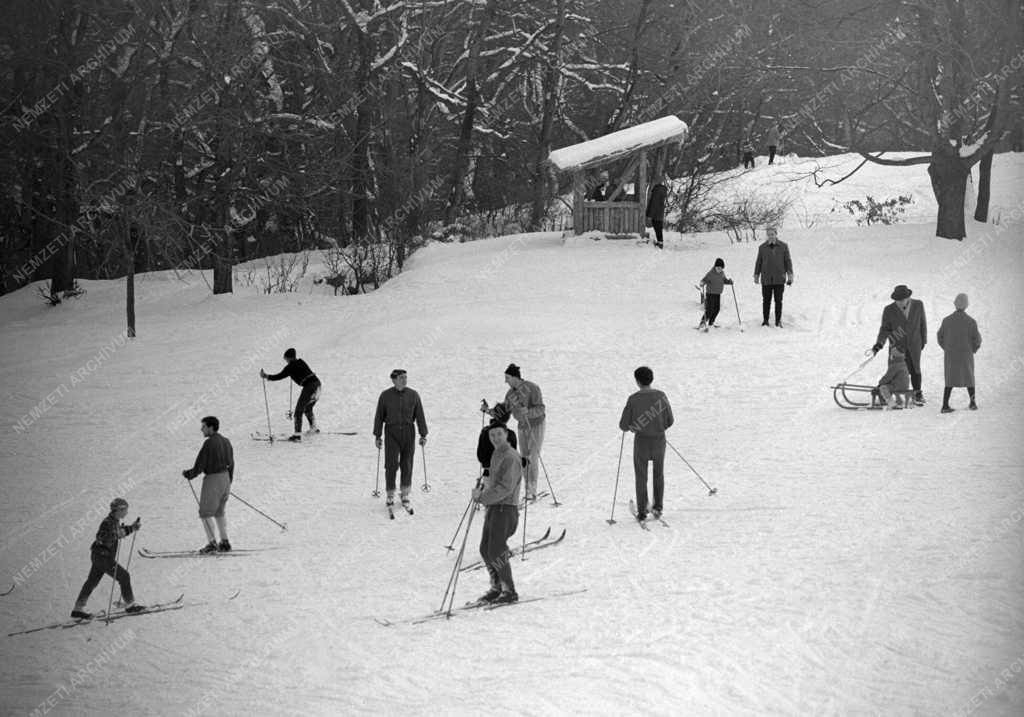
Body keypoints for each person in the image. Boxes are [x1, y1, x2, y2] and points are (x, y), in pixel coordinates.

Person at [471, 422, 522, 604]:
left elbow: (506, 487)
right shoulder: (496, 455)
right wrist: (482, 490)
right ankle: (497, 586)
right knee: (485, 549)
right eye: (492, 435)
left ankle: (509, 590)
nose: (495, 438)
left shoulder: (511, 457)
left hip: (505, 509)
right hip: (494, 507)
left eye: (499, 434)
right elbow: (495, 483)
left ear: (506, 434)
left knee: (496, 550)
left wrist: (483, 497)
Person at [71, 498, 143, 618]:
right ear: (118, 510)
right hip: (103, 558)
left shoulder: (114, 521)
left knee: (92, 582)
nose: (126, 512)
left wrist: (132, 527)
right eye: (125, 510)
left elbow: (119, 533)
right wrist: (112, 536)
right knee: (124, 576)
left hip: (99, 556)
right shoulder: (107, 522)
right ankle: (130, 606)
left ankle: (78, 609)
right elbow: (101, 536)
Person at [619, 366, 674, 521]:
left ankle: (642, 510)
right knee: (659, 474)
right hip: (659, 441)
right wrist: (657, 427)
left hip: (641, 442)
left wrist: (636, 426)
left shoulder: (633, 399)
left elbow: (623, 425)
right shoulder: (661, 396)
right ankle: (658, 507)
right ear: (652, 379)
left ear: (637, 381)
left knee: (641, 476)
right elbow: (670, 420)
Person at [486, 363, 545, 501]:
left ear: (514, 377)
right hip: (522, 427)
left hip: (536, 425)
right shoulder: (510, 394)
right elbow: (503, 412)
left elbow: (541, 408)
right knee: (524, 457)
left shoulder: (532, 388)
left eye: (507, 378)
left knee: (533, 456)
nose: (505, 381)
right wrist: (489, 411)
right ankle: (527, 488)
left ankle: (532, 489)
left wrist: (528, 412)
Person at [373, 369, 428, 508]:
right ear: (394, 380)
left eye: (405, 377)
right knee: (391, 463)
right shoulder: (385, 396)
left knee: (407, 463)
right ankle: (390, 493)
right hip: (392, 432)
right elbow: (379, 416)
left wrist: (423, 434)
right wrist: (377, 435)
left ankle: (405, 493)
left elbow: (420, 415)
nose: (404, 380)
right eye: (401, 378)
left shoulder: (413, 395)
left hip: (409, 431)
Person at [182, 415, 234, 553]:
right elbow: (231, 463)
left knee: (205, 513)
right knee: (219, 512)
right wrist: (228, 480)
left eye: (203, 426)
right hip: (225, 478)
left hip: (213, 479)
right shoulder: (226, 441)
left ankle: (212, 543)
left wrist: (189, 474)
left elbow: (200, 464)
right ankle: (225, 542)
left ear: (211, 427)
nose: (201, 429)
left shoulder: (209, 443)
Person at [870, 284, 927, 406]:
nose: (900, 302)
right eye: (897, 300)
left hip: (915, 344)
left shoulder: (918, 305)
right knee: (896, 369)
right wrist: (879, 344)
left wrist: (923, 341)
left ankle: (917, 392)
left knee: (915, 368)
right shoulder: (888, 310)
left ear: (908, 297)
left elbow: (923, 324)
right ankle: (887, 391)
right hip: (897, 346)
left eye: (902, 300)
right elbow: (884, 329)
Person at [260, 348, 321, 442]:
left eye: (286, 359)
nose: (286, 361)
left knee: (298, 412)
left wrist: (267, 376)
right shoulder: (301, 362)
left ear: (289, 358)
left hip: (309, 387)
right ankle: (314, 428)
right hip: (318, 385)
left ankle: (297, 436)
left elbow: (279, 376)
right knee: (308, 408)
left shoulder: (290, 367)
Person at [937, 293, 982, 413]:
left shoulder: (946, 321)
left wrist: (946, 348)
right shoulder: (971, 322)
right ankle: (972, 403)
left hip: (951, 356)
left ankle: (945, 405)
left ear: (955, 304)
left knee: (950, 379)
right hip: (966, 355)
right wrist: (973, 349)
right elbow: (977, 340)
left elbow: (939, 336)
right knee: (969, 378)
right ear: (966, 305)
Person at [753, 226, 793, 327]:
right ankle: (765, 320)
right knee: (766, 301)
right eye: (769, 234)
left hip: (779, 278)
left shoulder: (783, 246)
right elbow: (759, 262)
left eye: (772, 234)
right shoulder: (762, 247)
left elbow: (788, 262)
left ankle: (778, 321)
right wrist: (756, 275)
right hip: (766, 279)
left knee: (778, 301)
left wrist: (790, 275)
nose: (770, 236)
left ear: (776, 234)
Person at [477, 405, 517, 476]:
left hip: (488, 471)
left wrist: (486, 465)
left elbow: (480, 455)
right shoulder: (511, 435)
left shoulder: (485, 433)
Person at [699, 258, 734, 329]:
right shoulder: (711, 273)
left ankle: (711, 323)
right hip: (710, 293)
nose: (719, 269)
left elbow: (724, 280)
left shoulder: (722, 274)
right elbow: (704, 280)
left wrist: (729, 282)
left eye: (721, 268)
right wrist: (702, 283)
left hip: (718, 294)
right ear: (715, 267)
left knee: (717, 309)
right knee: (710, 309)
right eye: (717, 268)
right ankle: (702, 323)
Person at [646, 177, 668, 249]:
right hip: (660, 211)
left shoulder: (657, 190)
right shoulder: (662, 189)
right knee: (658, 227)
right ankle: (660, 242)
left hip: (656, 212)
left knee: (657, 227)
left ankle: (660, 243)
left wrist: (650, 215)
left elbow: (654, 203)